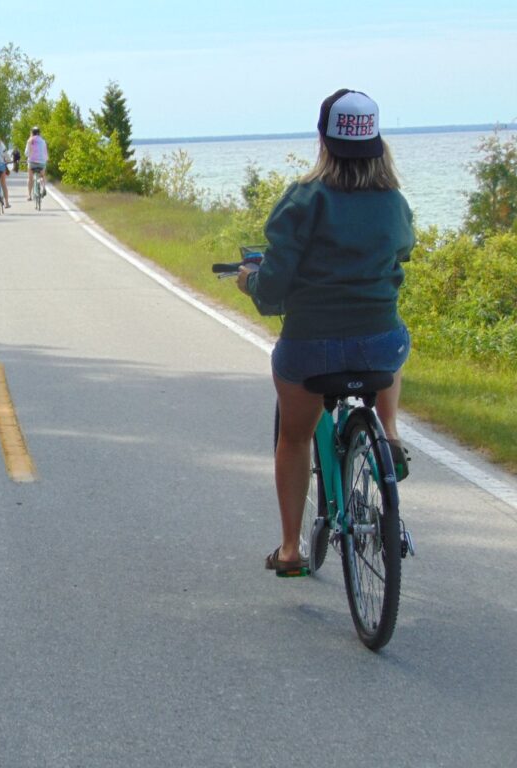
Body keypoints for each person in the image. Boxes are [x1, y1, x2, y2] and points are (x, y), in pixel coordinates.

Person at [236, 88, 414, 576]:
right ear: (376, 143)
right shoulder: (394, 202)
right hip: (379, 343)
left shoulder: (303, 200)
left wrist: (252, 282)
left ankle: (291, 550)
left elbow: (274, 287)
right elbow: (403, 252)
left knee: (294, 438)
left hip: (310, 350)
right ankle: (389, 430)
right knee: (395, 341)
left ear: (322, 139)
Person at [25, 126, 49, 201]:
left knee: (30, 178)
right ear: (39, 133)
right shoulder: (43, 141)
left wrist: (29, 157)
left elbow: (26, 153)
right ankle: (44, 187)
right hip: (42, 162)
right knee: (42, 175)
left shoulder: (30, 140)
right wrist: (45, 160)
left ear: (31, 133)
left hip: (32, 162)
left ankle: (29, 195)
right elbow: (45, 153)